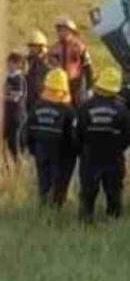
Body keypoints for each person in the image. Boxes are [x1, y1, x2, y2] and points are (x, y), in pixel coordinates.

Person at [76, 67, 130, 222]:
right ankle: (114, 219)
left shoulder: (84, 107)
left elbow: (77, 133)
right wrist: (118, 148)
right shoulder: (122, 109)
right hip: (114, 157)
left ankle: (85, 220)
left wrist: (83, 150)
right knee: (114, 191)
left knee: (88, 191)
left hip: (90, 157)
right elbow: (128, 136)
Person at [26, 69, 77, 208]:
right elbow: (73, 136)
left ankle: (43, 208)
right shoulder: (68, 110)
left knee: (44, 183)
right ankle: (57, 211)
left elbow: (28, 131)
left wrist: (33, 150)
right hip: (62, 156)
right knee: (60, 186)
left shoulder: (37, 106)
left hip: (41, 152)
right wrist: (73, 154)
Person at [48, 17, 94, 108]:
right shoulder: (54, 48)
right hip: (59, 85)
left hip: (77, 84)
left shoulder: (80, 47)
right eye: (59, 30)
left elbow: (88, 67)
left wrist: (89, 87)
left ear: (72, 32)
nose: (61, 33)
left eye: (64, 30)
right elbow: (49, 68)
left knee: (78, 107)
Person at [4, 53, 27, 160]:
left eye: (11, 63)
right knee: (8, 143)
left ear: (17, 64)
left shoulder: (19, 79)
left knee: (15, 144)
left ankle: (19, 167)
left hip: (16, 116)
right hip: (8, 115)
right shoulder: (8, 77)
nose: (8, 65)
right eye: (8, 62)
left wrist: (3, 96)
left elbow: (16, 97)